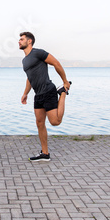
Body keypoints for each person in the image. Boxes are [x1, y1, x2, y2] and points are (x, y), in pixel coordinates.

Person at [19, 32, 71, 162]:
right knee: (39, 123)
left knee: (55, 122)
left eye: (22, 39)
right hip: (38, 95)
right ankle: (45, 153)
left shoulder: (38, 53)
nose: (19, 41)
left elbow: (56, 63)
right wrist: (25, 93)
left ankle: (62, 93)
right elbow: (30, 78)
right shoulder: (25, 60)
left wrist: (64, 81)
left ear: (29, 41)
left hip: (48, 91)